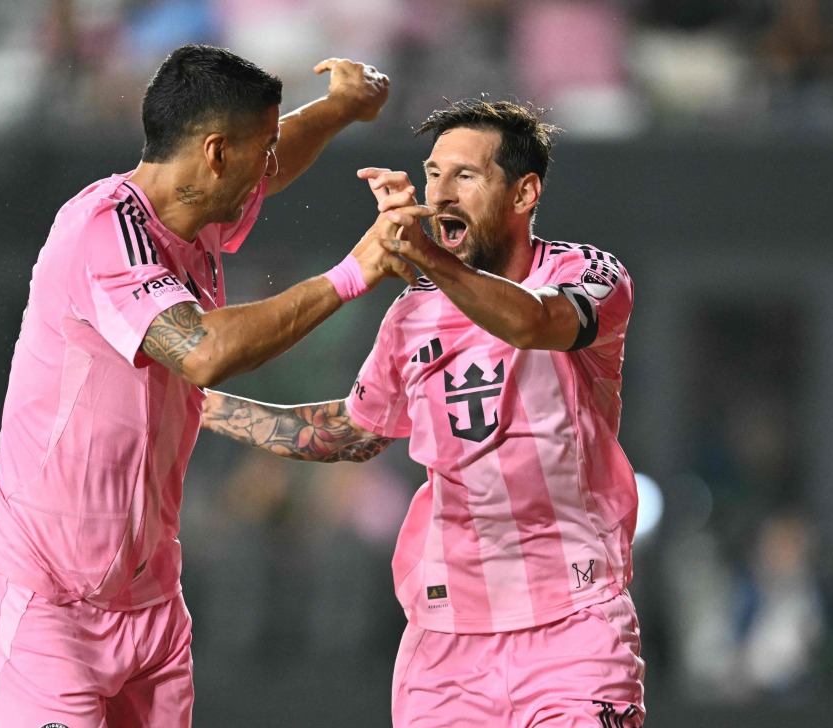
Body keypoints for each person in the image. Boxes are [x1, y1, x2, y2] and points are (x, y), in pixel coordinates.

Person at [0, 44, 414, 728]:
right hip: (48, 594)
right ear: (213, 154)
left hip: (148, 600)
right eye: (258, 149)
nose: (270, 167)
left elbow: (279, 157)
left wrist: (342, 108)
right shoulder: (103, 231)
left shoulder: (196, 215)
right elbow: (203, 352)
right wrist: (353, 273)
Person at [202, 98, 646, 726]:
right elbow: (353, 434)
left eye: (465, 175)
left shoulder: (588, 272)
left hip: (573, 626)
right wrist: (204, 406)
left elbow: (534, 322)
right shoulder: (412, 316)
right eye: (433, 174)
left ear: (523, 193)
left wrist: (425, 259)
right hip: (446, 644)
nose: (440, 193)